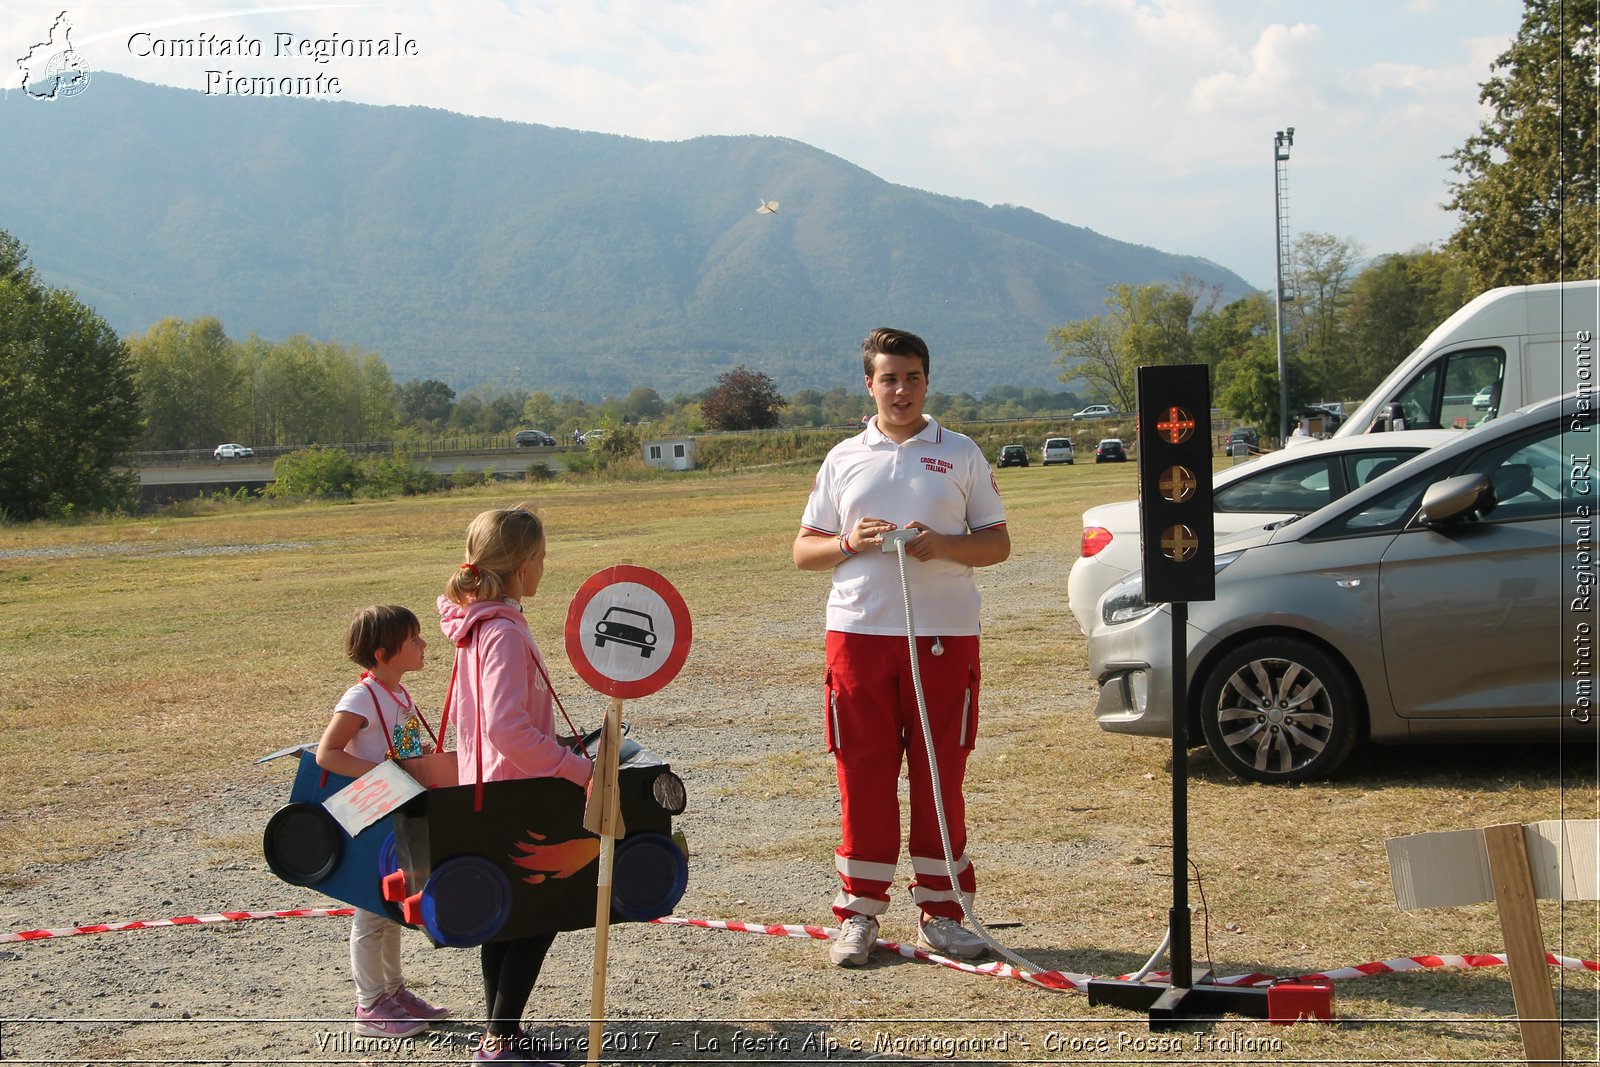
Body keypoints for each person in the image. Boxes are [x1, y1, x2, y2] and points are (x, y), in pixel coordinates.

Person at [792, 327, 1010, 967]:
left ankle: (944, 914)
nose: (902, 389)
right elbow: (805, 551)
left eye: (912, 377)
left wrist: (943, 543)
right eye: (889, 378)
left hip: (942, 635)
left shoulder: (962, 453)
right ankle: (858, 913)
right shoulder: (842, 457)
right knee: (862, 772)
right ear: (870, 384)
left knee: (941, 775)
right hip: (858, 636)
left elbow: (997, 543)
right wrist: (850, 543)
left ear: (926, 380)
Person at [438, 505, 593, 1063]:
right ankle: (500, 1042)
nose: (545, 568)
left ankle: (499, 1035)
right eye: (543, 558)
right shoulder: (501, 630)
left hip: (489, 785)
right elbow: (507, 726)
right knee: (536, 915)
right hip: (518, 791)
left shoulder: (475, 620)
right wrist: (579, 768)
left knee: (507, 916)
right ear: (524, 564)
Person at [314, 605, 451, 1038]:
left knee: (390, 907)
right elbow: (327, 753)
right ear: (383, 652)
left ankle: (394, 992)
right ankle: (370, 1006)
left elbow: (406, 750)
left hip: (398, 812)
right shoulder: (361, 697)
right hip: (373, 813)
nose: (424, 645)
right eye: (414, 639)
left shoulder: (399, 694)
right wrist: (383, 775)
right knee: (372, 910)